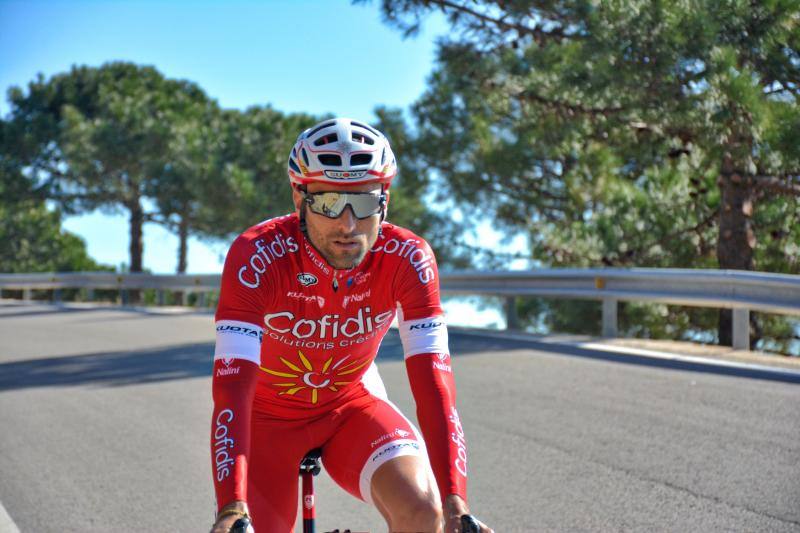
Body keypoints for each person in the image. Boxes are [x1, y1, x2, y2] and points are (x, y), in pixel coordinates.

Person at [210, 118, 493, 533]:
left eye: (362, 202)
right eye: (327, 202)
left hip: (350, 405)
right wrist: (231, 508)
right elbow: (233, 387)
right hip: (265, 420)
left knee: (424, 512)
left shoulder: (409, 259)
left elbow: (434, 383)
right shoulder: (257, 256)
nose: (347, 224)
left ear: (385, 200)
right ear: (298, 197)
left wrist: (457, 504)